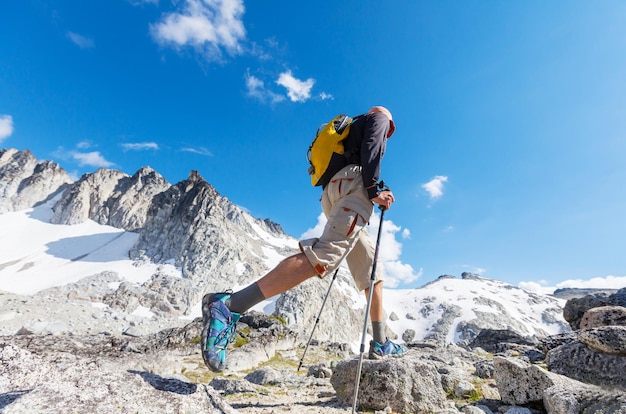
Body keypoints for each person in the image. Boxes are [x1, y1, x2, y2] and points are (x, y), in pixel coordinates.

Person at [201, 106, 406, 372]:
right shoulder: (380, 118)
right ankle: (229, 305)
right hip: (354, 190)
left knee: (370, 268)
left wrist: (378, 186)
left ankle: (380, 342)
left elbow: (360, 156)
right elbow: (372, 148)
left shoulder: (350, 131)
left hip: (334, 192)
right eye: (390, 132)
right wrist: (373, 188)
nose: (388, 136)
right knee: (322, 257)